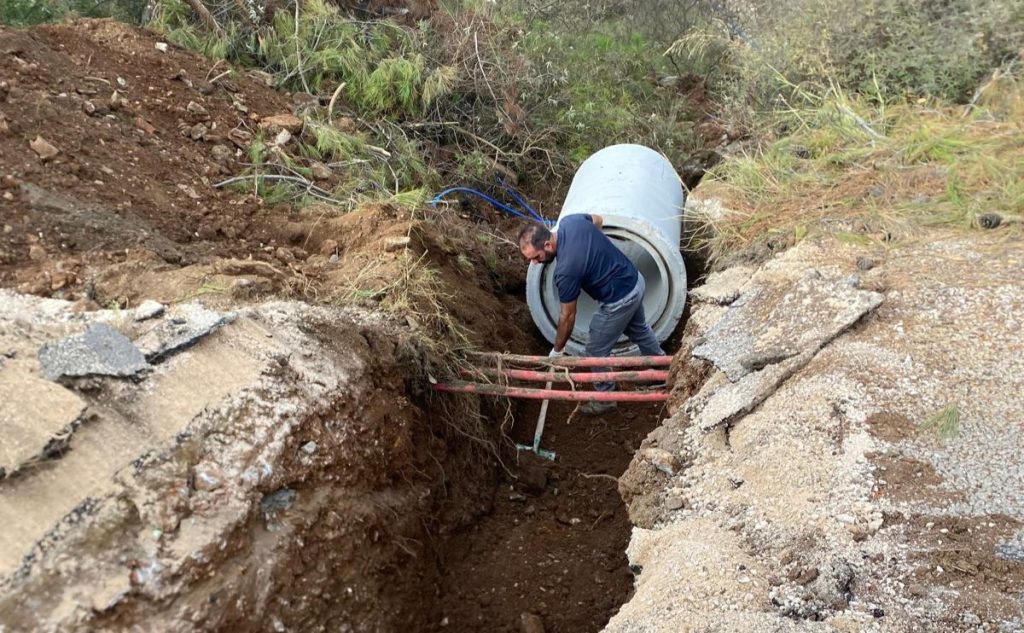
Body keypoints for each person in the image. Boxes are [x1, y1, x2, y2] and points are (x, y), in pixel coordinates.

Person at [518, 214, 665, 414]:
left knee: (595, 350)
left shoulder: (566, 270)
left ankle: (605, 398)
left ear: (547, 245)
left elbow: (568, 316)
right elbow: (598, 220)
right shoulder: (571, 222)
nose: (534, 263)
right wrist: (593, 248)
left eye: (535, 258)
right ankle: (661, 370)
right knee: (639, 329)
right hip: (635, 280)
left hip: (620, 299)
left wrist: (558, 349)